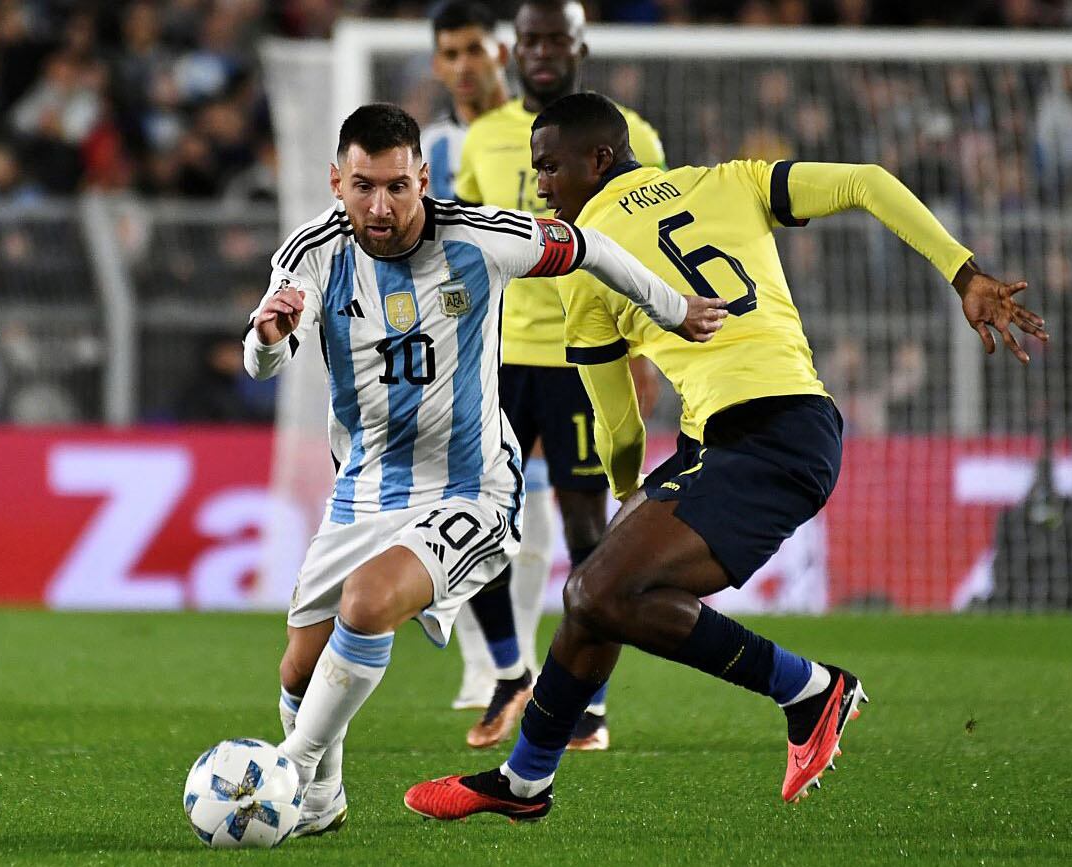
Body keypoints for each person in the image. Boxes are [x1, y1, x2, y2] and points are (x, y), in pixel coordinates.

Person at [404, 92, 1048, 819]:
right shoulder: (730, 180)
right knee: (593, 599)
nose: (541, 184)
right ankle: (524, 781)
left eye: (550, 166)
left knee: (596, 591)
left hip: (767, 440)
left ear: (601, 159)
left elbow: (616, 417)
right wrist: (964, 273)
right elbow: (867, 180)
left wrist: (625, 486)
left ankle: (808, 688)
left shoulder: (588, 261)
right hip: (769, 428)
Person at [246, 102, 725, 838]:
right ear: (336, 181)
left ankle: (288, 767)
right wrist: (268, 339)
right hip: (364, 485)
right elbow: (268, 348)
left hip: (472, 484)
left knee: (370, 602)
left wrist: (670, 308)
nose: (382, 206)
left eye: (398, 186)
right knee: (298, 672)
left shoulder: (481, 236)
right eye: (364, 186)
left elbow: (589, 246)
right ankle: (319, 800)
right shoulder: (310, 251)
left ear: (424, 178)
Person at [452, 0, 669, 751]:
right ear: (514, 50)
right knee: (467, 518)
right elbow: (467, 249)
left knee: (589, 532)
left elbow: (647, 258)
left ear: (581, 45)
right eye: (531, 40)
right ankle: (511, 672)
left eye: (557, 39)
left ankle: (590, 703)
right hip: (499, 358)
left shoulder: (632, 135)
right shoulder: (483, 138)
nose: (542, 52)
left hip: (586, 357)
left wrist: (640, 353)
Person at [422, 0, 556, 715]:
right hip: (464, 349)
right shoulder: (430, 152)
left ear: (500, 54)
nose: (463, 66)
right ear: (437, 63)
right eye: (449, 54)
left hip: (547, 345)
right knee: (467, 505)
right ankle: (486, 665)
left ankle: (520, 658)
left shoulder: (546, 135)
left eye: (474, 49)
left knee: (533, 501)